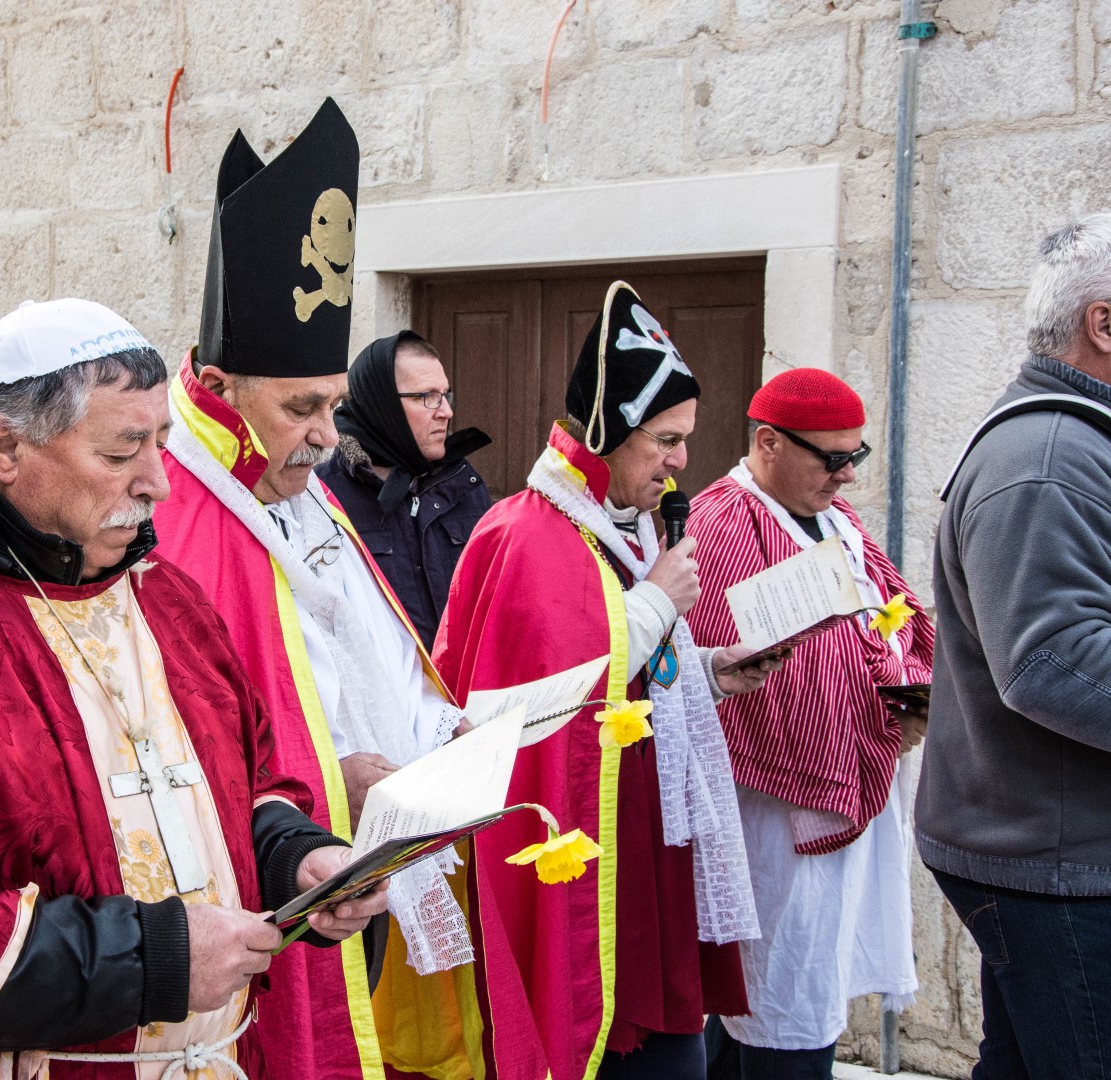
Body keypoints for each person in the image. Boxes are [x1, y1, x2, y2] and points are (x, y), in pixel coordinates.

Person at [0, 298, 385, 1079]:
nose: (159, 485)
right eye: (121, 453)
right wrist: (149, 961)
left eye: (162, 444)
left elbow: (245, 784)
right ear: (7, 445)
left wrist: (293, 859)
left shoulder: (168, 601)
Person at [153, 99, 545, 1079]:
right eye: (302, 408)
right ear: (214, 383)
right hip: (267, 898)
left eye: (332, 405)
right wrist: (343, 779)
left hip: (362, 864)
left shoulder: (298, 487)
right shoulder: (180, 527)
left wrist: (438, 730)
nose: (328, 435)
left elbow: (367, 644)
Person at [436, 281, 777, 1080]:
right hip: (580, 847)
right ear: (607, 436)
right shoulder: (527, 533)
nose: (681, 460)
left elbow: (626, 665)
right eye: (664, 439)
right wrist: (659, 599)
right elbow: (553, 694)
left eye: (684, 439)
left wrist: (706, 671)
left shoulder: (623, 526)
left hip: (642, 835)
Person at [685, 368, 933, 1080]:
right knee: (776, 995)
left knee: (791, 989)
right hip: (773, 803)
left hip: (847, 782)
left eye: (857, 456)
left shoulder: (834, 519)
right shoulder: (720, 524)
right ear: (767, 442)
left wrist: (902, 694)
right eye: (833, 458)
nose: (847, 476)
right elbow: (730, 668)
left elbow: (891, 617)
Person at [918, 212, 1111, 1078]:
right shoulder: (1047, 456)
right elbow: (1049, 659)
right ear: (1102, 324)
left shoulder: (1070, 443)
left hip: (1050, 848)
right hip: (1054, 858)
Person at [316, 331, 491, 650]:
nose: (446, 412)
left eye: (445, 395)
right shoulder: (322, 498)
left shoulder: (464, 486)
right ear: (382, 405)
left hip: (466, 696)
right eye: (427, 396)